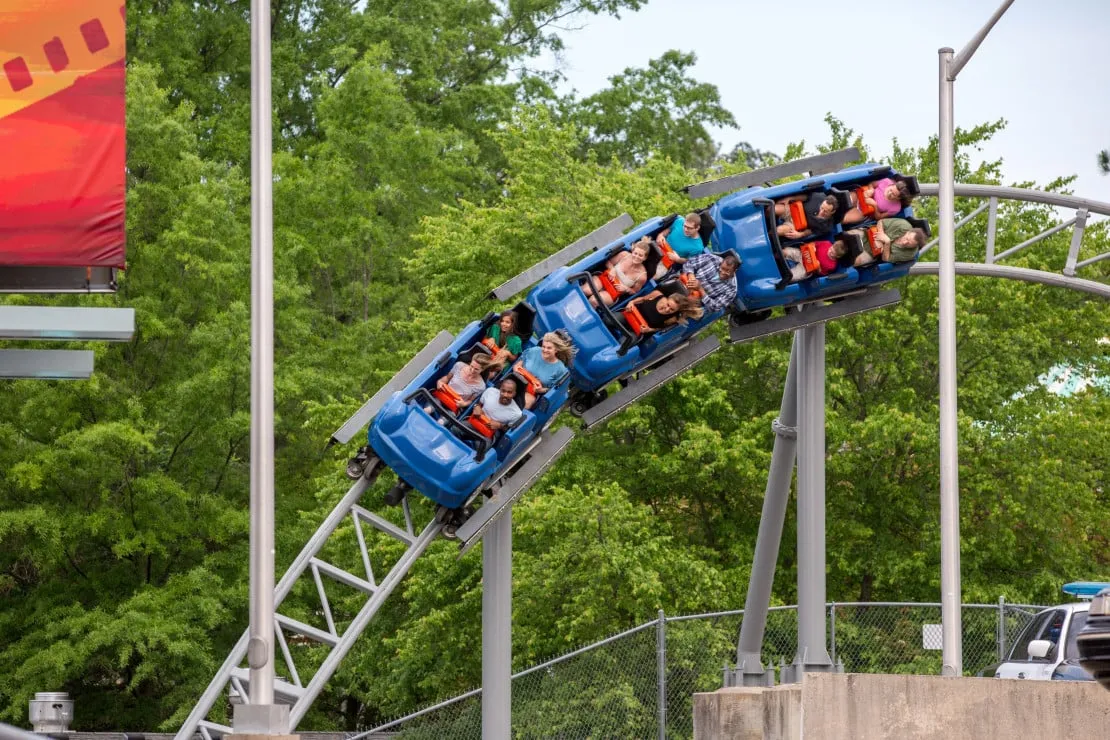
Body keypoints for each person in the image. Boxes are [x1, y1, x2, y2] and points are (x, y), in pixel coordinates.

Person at [583, 238, 651, 308]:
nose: (636, 257)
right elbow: (608, 262)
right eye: (635, 253)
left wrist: (626, 289)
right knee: (586, 290)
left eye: (640, 255)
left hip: (612, 292)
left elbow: (634, 291)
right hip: (603, 279)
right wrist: (612, 269)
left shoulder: (642, 276)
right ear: (632, 251)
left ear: (645, 258)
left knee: (594, 300)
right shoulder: (624, 255)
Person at [515, 331, 574, 409]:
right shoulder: (534, 351)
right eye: (543, 346)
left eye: (549, 348)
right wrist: (517, 369)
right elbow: (517, 365)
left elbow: (553, 391)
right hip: (516, 382)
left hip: (531, 393)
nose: (545, 350)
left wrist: (541, 390)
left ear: (556, 350)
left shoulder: (561, 370)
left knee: (527, 401)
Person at [428, 353, 494, 416]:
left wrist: (464, 404)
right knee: (429, 409)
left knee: (442, 421)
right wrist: (439, 382)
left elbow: (471, 401)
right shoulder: (459, 365)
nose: (472, 370)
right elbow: (447, 378)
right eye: (471, 366)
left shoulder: (481, 386)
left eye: (476, 369)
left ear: (482, 370)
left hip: (454, 406)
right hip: (442, 396)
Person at [847, 218, 928, 265]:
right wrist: (881, 234)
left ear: (914, 247)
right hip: (867, 234)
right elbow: (881, 222)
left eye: (909, 244)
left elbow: (886, 259)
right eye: (907, 239)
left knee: (853, 260)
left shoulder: (910, 254)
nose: (905, 242)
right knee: (847, 237)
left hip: (871, 253)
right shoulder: (903, 225)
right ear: (908, 232)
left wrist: (887, 243)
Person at [619, 291, 704, 335]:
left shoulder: (673, 318)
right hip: (629, 315)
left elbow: (660, 328)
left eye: (671, 309)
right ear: (667, 299)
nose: (667, 309)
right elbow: (642, 299)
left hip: (637, 329)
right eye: (668, 305)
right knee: (609, 320)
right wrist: (632, 302)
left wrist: (649, 330)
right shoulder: (657, 294)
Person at [841, 178, 914, 225]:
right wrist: (871, 190)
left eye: (893, 195)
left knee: (845, 219)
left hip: (863, 212)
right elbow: (871, 183)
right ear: (893, 185)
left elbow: (878, 218)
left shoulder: (896, 208)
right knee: (846, 200)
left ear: (898, 198)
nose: (889, 193)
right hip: (859, 196)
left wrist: (874, 205)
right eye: (890, 190)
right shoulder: (887, 181)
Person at [774, 192, 839, 239]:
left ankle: (768, 235)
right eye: (822, 207)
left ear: (832, 212)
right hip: (793, 210)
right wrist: (790, 198)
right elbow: (805, 197)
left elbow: (812, 231)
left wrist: (800, 234)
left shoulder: (827, 226)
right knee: (772, 209)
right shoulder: (818, 197)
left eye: (825, 211)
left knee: (778, 231)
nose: (821, 212)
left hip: (796, 225)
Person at [780, 238, 851, 280]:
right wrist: (812, 246)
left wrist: (818, 266)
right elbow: (813, 243)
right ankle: (773, 256)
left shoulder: (831, 265)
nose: (830, 252)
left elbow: (822, 273)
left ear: (837, 256)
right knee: (785, 251)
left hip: (806, 269)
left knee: (791, 276)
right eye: (831, 249)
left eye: (832, 254)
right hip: (803, 254)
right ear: (832, 245)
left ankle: (778, 280)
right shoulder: (826, 243)